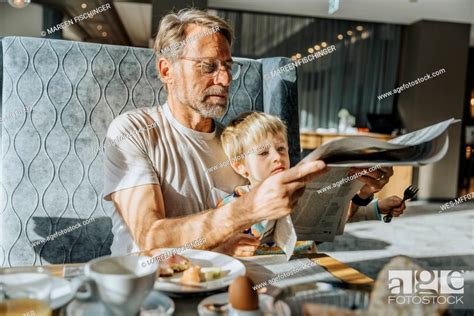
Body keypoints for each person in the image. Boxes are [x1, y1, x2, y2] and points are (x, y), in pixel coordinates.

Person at [103, 8, 397, 256]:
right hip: (150, 287)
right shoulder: (134, 131)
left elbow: (298, 229)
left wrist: (359, 194)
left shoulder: (239, 142)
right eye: (209, 66)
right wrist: (245, 210)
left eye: (228, 66)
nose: (225, 77)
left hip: (227, 283)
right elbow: (148, 237)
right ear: (167, 71)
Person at [213, 111, 406, 256]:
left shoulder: (299, 190)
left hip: (310, 262)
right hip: (264, 275)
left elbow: (330, 215)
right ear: (240, 167)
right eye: (263, 153)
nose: (276, 157)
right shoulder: (234, 204)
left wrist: (374, 206)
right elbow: (218, 243)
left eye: (281, 149)